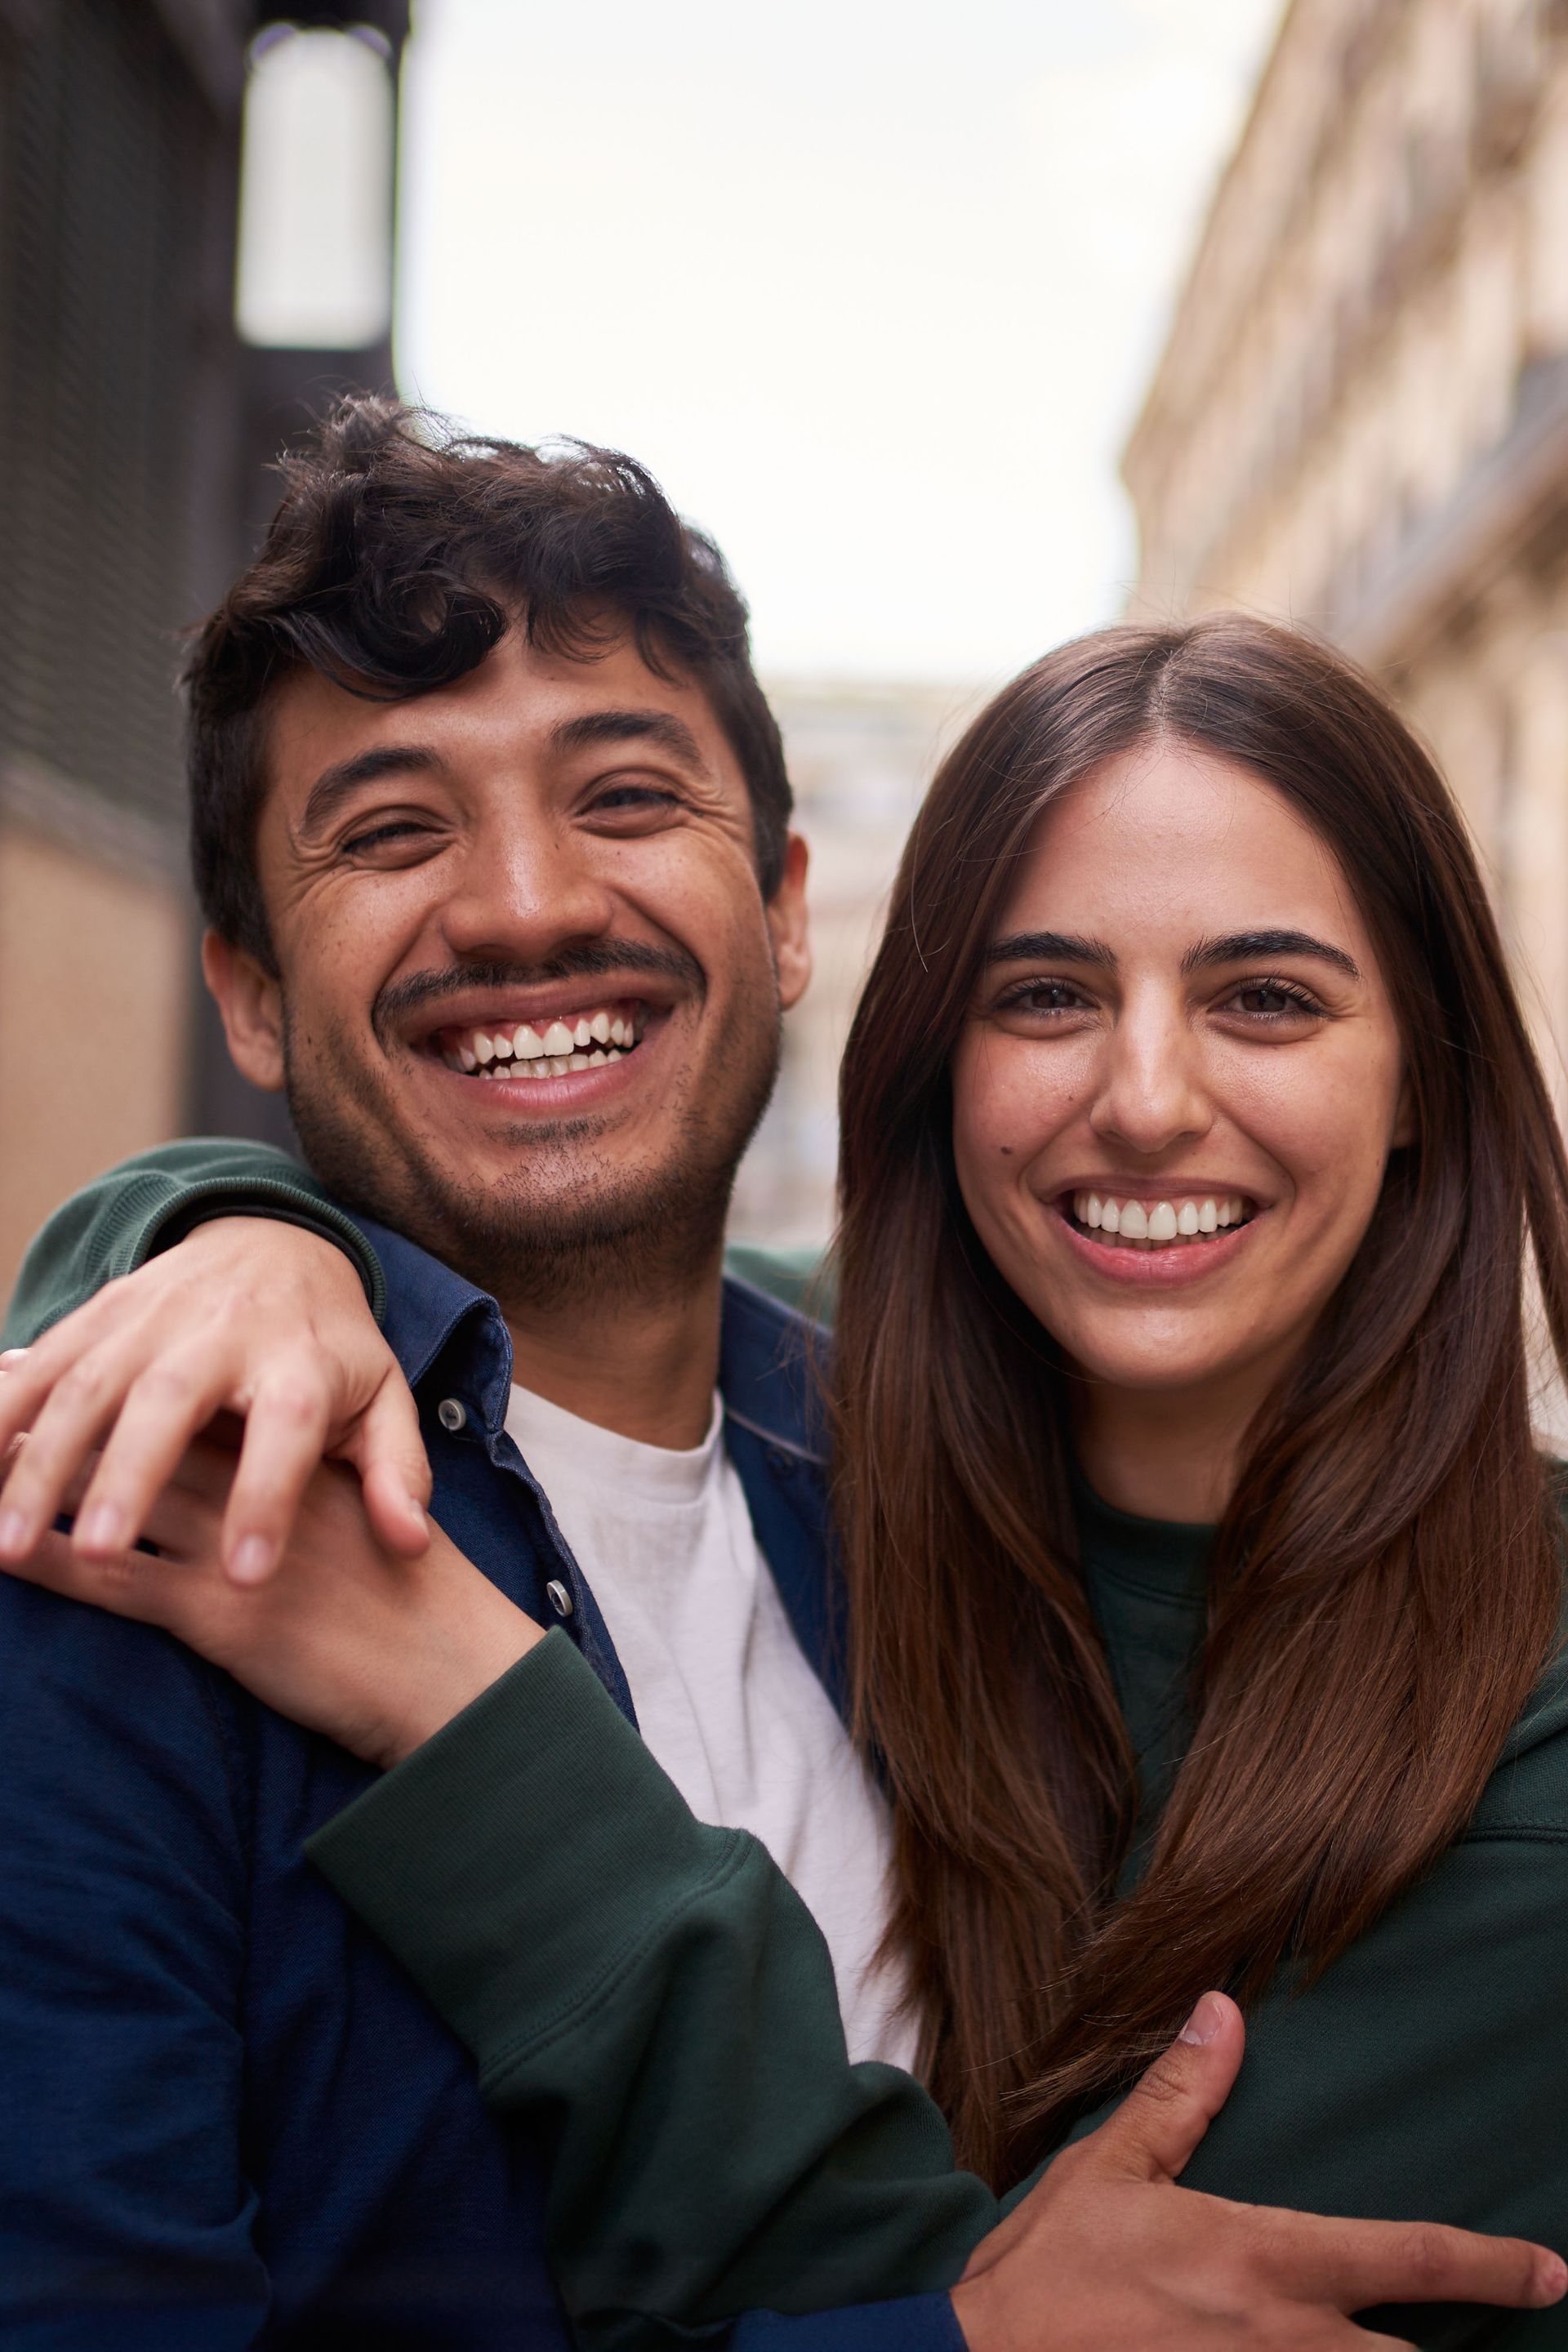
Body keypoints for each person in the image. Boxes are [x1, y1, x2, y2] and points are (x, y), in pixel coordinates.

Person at [0, 421, 1559, 2350]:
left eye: (627, 796)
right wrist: (200, 1225)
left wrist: (456, 1684)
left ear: (789, 905)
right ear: (244, 993)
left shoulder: (892, 1476)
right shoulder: (129, 1554)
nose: (520, 903)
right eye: (394, 830)